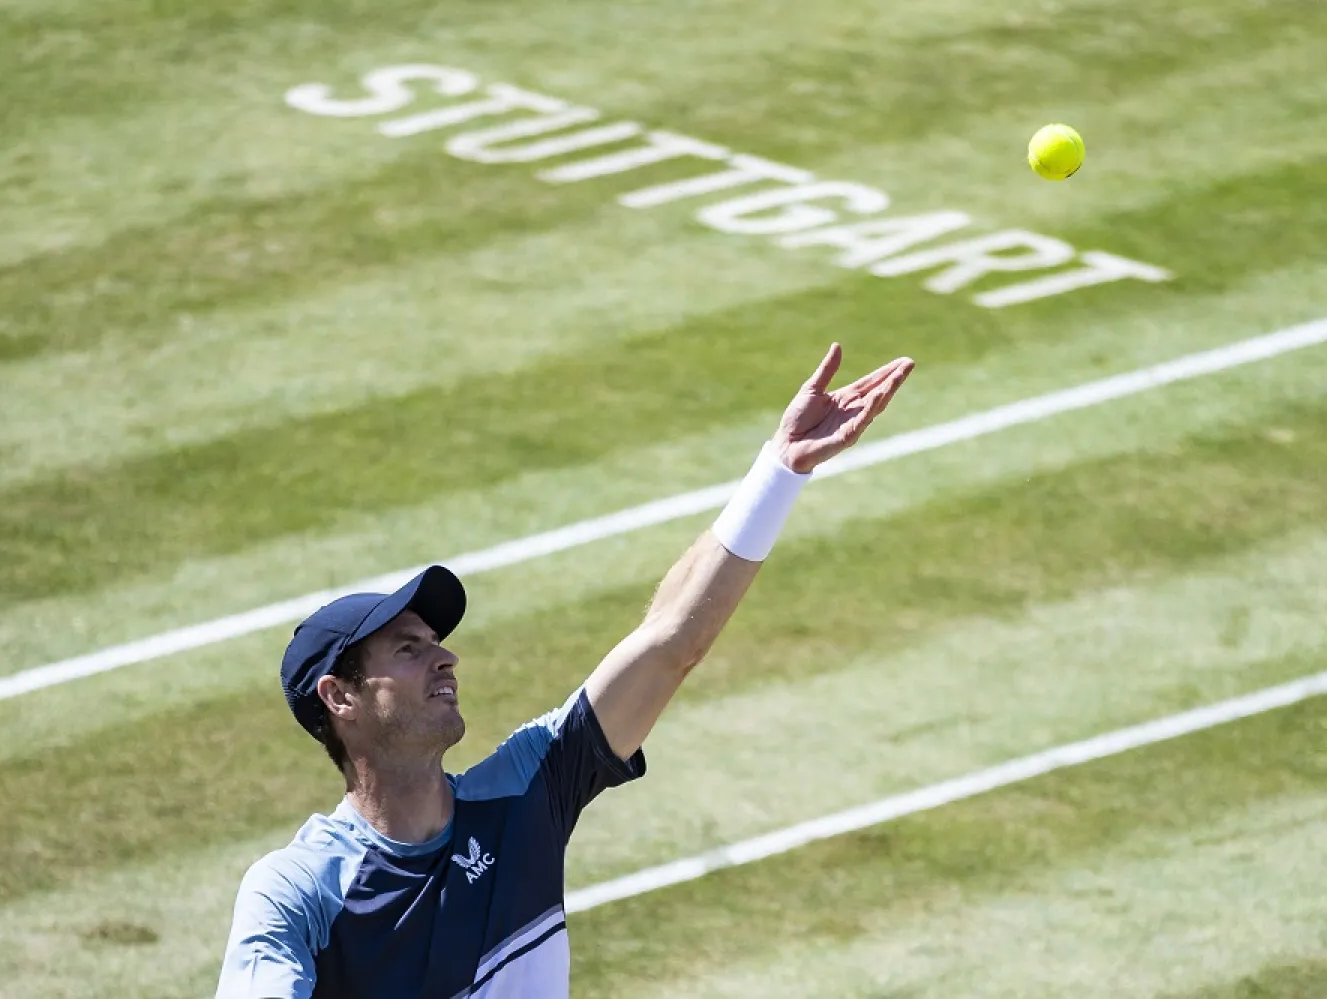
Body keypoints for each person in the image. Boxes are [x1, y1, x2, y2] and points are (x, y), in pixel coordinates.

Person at [214, 343, 914, 998]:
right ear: (340, 697)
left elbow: (670, 641)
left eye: (436, 640)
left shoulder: (527, 789)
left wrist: (780, 472)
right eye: (408, 648)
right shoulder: (297, 890)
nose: (445, 655)